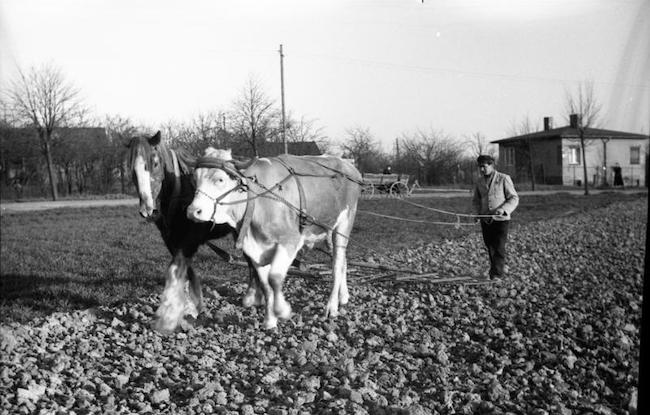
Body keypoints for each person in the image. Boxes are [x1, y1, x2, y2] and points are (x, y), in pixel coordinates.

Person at [472, 154, 519, 280]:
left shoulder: (504, 178)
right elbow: (476, 200)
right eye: (479, 167)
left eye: (484, 166)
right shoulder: (479, 181)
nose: (481, 170)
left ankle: (497, 274)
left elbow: (514, 198)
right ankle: (494, 272)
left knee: (499, 246)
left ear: (491, 165)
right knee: (490, 246)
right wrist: (477, 213)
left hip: (501, 220)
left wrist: (503, 210)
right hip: (485, 220)